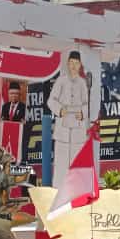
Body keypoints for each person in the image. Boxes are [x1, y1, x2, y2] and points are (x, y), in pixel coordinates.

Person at [47, 51, 91, 188]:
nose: (73, 65)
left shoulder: (82, 83)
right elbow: (51, 101)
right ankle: (58, 191)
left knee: (76, 164)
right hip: (63, 130)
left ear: (79, 65)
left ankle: (76, 192)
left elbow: (87, 104)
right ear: (68, 64)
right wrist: (60, 110)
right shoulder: (61, 81)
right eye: (71, 62)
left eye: (76, 63)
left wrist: (83, 114)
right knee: (61, 163)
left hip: (78, 129)